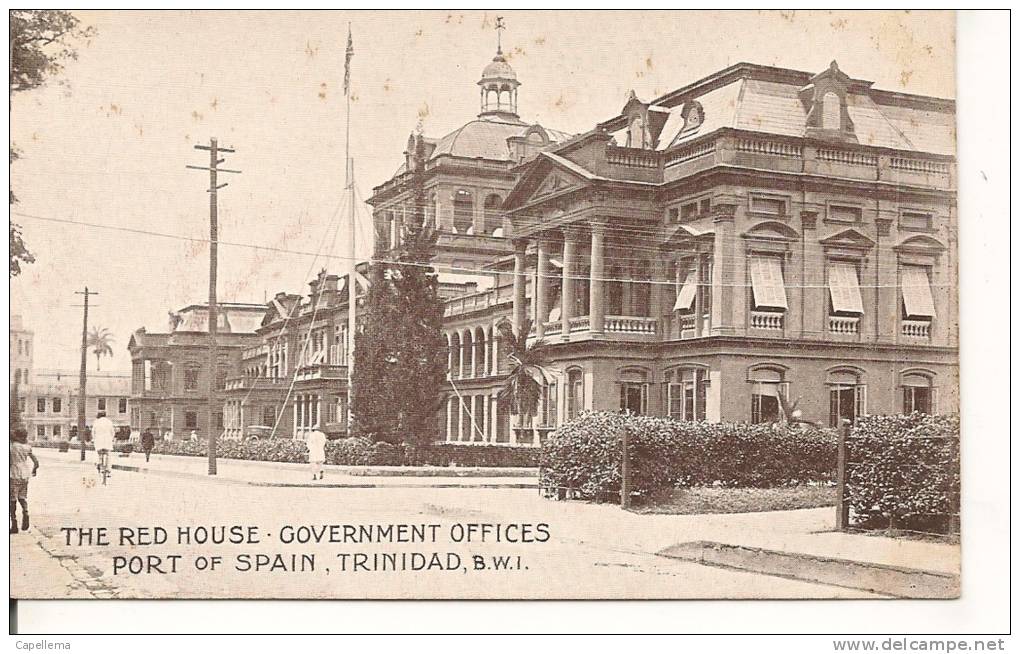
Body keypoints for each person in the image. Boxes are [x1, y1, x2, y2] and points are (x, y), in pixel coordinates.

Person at [10, 428, 39, 534]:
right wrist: (34, 470)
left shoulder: (11, 447)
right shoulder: (27, 447)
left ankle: (14, 524)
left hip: (13, 474)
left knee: (12, 500)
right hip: (25, 475)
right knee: (22, 498)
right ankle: (25, 514)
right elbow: (36, 462)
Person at [92, 411, 115, 476]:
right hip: (107, 442)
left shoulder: (96, 422)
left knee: (99, 455)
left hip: (99, 442)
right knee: (108, 455)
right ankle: (108, 470)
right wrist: (111, 438)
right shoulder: (109, 422)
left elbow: (93, 432)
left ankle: (100, 465)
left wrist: (94, 439)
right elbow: (112, 432)